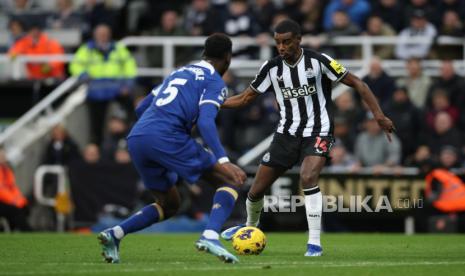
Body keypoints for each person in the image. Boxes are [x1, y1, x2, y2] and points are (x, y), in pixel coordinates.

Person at [219, 19, 395, 257]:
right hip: (286, 134)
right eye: (278, 42)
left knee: (308, 177)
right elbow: (245, 98)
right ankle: (251, 227)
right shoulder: (271, 68)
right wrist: (214, 104)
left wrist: (379, 115)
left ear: (299, 40)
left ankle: (314, 242)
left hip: (319, 130)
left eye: (286, 42)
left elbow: (358, 83)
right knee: (256, 191)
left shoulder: (319, 61)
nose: (281, 47)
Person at [98, 33, 246, 264]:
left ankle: (114, 234)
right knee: (230, 180)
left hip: (138, 137)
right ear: (227, 57)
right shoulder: (214, 81)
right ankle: (210, 236)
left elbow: (141, 108)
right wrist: (224, 160)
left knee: (169, 204)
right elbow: (206, 123)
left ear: (204, 53)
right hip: (168, 136)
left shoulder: (180, 71)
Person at [69, 24, 137, 145]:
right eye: (100, 34)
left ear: (109, 35)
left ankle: (130, 140)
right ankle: (97, 147)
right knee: (96, 123)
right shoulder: (86, 49)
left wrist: (128, 85)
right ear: (95, 35)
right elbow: (75, 65)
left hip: (116, 87)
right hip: (96, 89)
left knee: (130, 111)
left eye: (105, 34)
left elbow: (130, 65)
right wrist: (83, 75)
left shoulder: (118, 48)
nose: (103, 36)